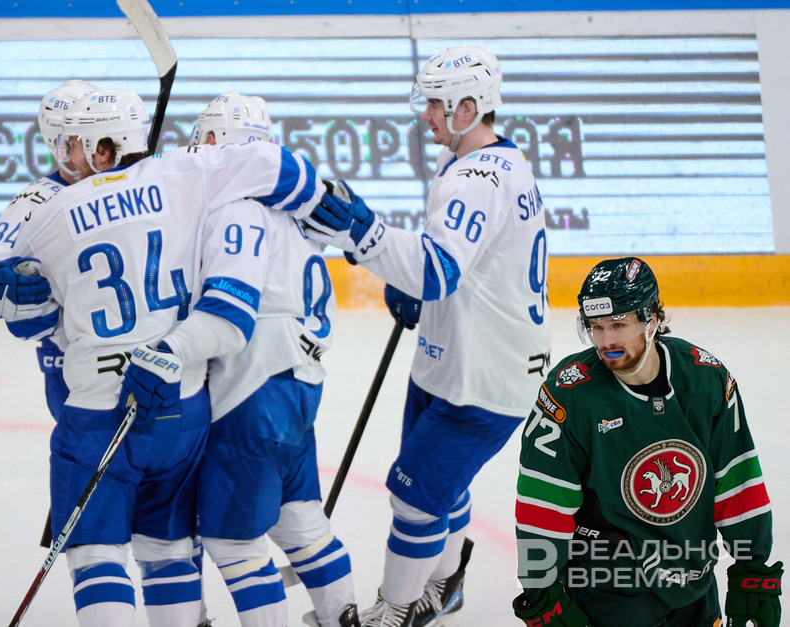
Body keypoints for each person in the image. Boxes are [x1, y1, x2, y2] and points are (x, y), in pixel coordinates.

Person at [0, 87, 325, 626]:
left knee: (96, 557)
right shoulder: (183, 183)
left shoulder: (52, 212)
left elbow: (10, 313)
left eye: (73, 144)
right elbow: (278, 170)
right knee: (169, 551)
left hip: (96, 406)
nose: (66, 157)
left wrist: (5, 291)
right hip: (183, 406)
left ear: (100, 148)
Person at [303, 44, 552, 626]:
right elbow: (459, 261)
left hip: (485, 375)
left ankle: (394, 612)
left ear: (470, 107)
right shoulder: (478, 160)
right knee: (443, 489)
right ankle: (445, 584)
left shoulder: (478, 178)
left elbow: (438, 269)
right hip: (453, 357)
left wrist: (367, 236)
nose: (426, 114)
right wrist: (409, 275)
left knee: (413, 499)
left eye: (437, 104)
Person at [512, 257, 782, 627]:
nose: (606, 341)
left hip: (693, 574)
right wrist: (541, 593)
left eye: (618, 325)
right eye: (596, 327)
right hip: (609, 581)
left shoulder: (706, 380)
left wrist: (753, 566)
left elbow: (737, 479)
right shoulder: (569, 396)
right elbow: (542, 503)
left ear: (652, 319)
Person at [190, 93, 359, 627]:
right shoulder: (293, 210)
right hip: (299, 382)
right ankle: (342, 617)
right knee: (300, 520)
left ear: (214, 139)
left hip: (251, 389)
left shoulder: (236, 209)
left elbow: (227, 308)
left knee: (233, 541)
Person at [0, 79, 98, 420]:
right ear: (60, 144)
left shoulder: (137, 183)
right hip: (74, 371)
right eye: (81, 138)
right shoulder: (37, 201)